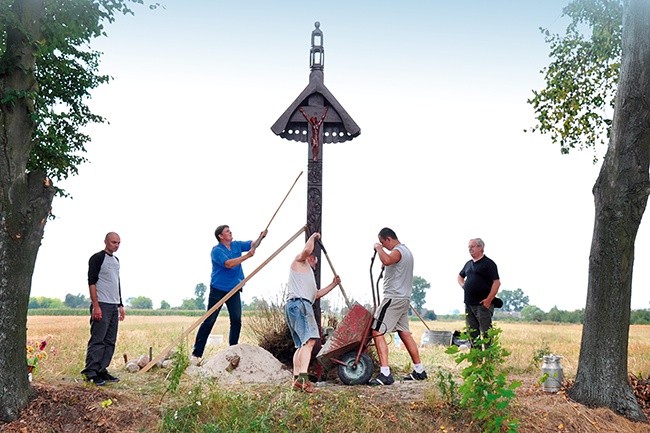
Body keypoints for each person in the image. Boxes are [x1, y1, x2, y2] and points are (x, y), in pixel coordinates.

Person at [191, 225, 267, 364]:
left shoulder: (236, 245)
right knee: (209, 320)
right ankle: (196, 354)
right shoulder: (216, 251)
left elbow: (253, 244)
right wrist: (247, 256)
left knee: (236, 319)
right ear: (220, 236)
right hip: (218, 289)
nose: (230, 232)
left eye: (230, 230)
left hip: (234, 288)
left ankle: (233, 350)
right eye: (227, 231)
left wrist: (260, 237)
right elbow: (228, 264)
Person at [369, 227, 427, 386]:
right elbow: (392, 264)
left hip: (393, 298)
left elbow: (387, 260)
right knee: (404, 333)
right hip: (403, 298)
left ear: (388, 239)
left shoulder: (398, 251)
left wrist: (378, 249)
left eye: (383, 242)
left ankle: (385, 373)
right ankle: (419, 370)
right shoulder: (407, 252)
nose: (383, 245)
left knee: (377, 331)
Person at [285, 232, 341, 393]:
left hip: (297, 305)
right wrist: (313, 237)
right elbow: (307, 250)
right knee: (310, 342)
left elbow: (316, 294)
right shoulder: (300, 262)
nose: (314, 266)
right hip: (301, 305)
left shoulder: (305, 276)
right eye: (314, 262)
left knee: (301, 345)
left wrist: (333, 284)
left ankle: (296, 379)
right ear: (310, 258)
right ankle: (303, 379)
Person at [81, 232, 125, 386]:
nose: (116, 245)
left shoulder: (116, 260)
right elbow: (91, 282)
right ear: (106, 241)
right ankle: (91, 372)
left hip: (113, 305)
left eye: (119, 243)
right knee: (98, 339)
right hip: (102, 304)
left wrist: (120, 304)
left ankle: (102, 370)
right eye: (114, 242)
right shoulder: (97, 258)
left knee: (110, 340)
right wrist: (96, 305)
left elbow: (116, 283)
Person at [457, 238, 501, 345]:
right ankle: (477, 360)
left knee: (486, 333)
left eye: (472, 246)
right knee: (472, 334)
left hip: (483, 305)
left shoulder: (489, 264)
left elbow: (497, 283)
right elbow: (460, 276)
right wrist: (465, 286)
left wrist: (488, 300)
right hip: (469, 304)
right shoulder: (468, 264)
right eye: (469, 247)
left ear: (480, 247)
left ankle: (489, 359)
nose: (470, 249)